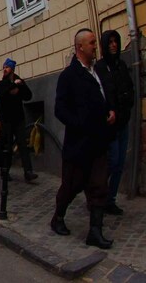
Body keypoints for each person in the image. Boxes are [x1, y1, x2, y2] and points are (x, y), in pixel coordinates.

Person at [51, 28, 116, 249]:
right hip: (78, 145)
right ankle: (58, 217)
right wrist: (80, 123)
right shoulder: (69, 76)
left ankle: (95, 232)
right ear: (80, 47)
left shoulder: (95, 71)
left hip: (98, 141)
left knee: (99, 186)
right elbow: (60, 109)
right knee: (71, 186)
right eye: (91, 43)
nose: (95, 46)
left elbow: (102, 97)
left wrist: (110, 111)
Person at [96, 29, 135, 216]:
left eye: (115, 42)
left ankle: (110, 200)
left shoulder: (121, 65)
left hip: (123, 121)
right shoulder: (100, 67)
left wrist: (127, 106)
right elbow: (100, 94)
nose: (113, 45)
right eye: (110, 42)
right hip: (109, 124)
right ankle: (98, 196)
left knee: (120, 163)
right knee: (112, 161)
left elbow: (129, 87)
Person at [0, 58, 38, 183]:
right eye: (3, 67)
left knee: (23, 146)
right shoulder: (1, 84)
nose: (4, 69)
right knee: (7, 146)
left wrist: (21, 85)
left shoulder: (20, 82)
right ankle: (4, 172)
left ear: (12, 69)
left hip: (19, 119)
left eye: (7, 67)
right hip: (6, 120)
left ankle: (28, 172)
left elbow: (28, 96)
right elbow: (2, 94)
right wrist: (14, 86)